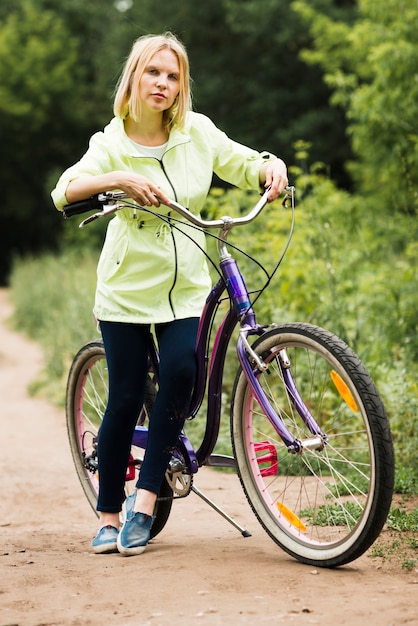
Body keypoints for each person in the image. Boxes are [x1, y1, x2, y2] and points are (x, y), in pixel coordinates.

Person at [51, 32, 288, 556]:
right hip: (127, 290)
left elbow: (243, 162)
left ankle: (146, 500)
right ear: (134, 77)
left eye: (173, 75)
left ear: (181, 86)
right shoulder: (109, 142)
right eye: (153, 72)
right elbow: (64, 190)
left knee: (183, 374)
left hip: (185, 287)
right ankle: (109, 514)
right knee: (127, 396)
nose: (162, 83)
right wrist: (117, 178)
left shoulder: (196, 133)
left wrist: (269, 165)